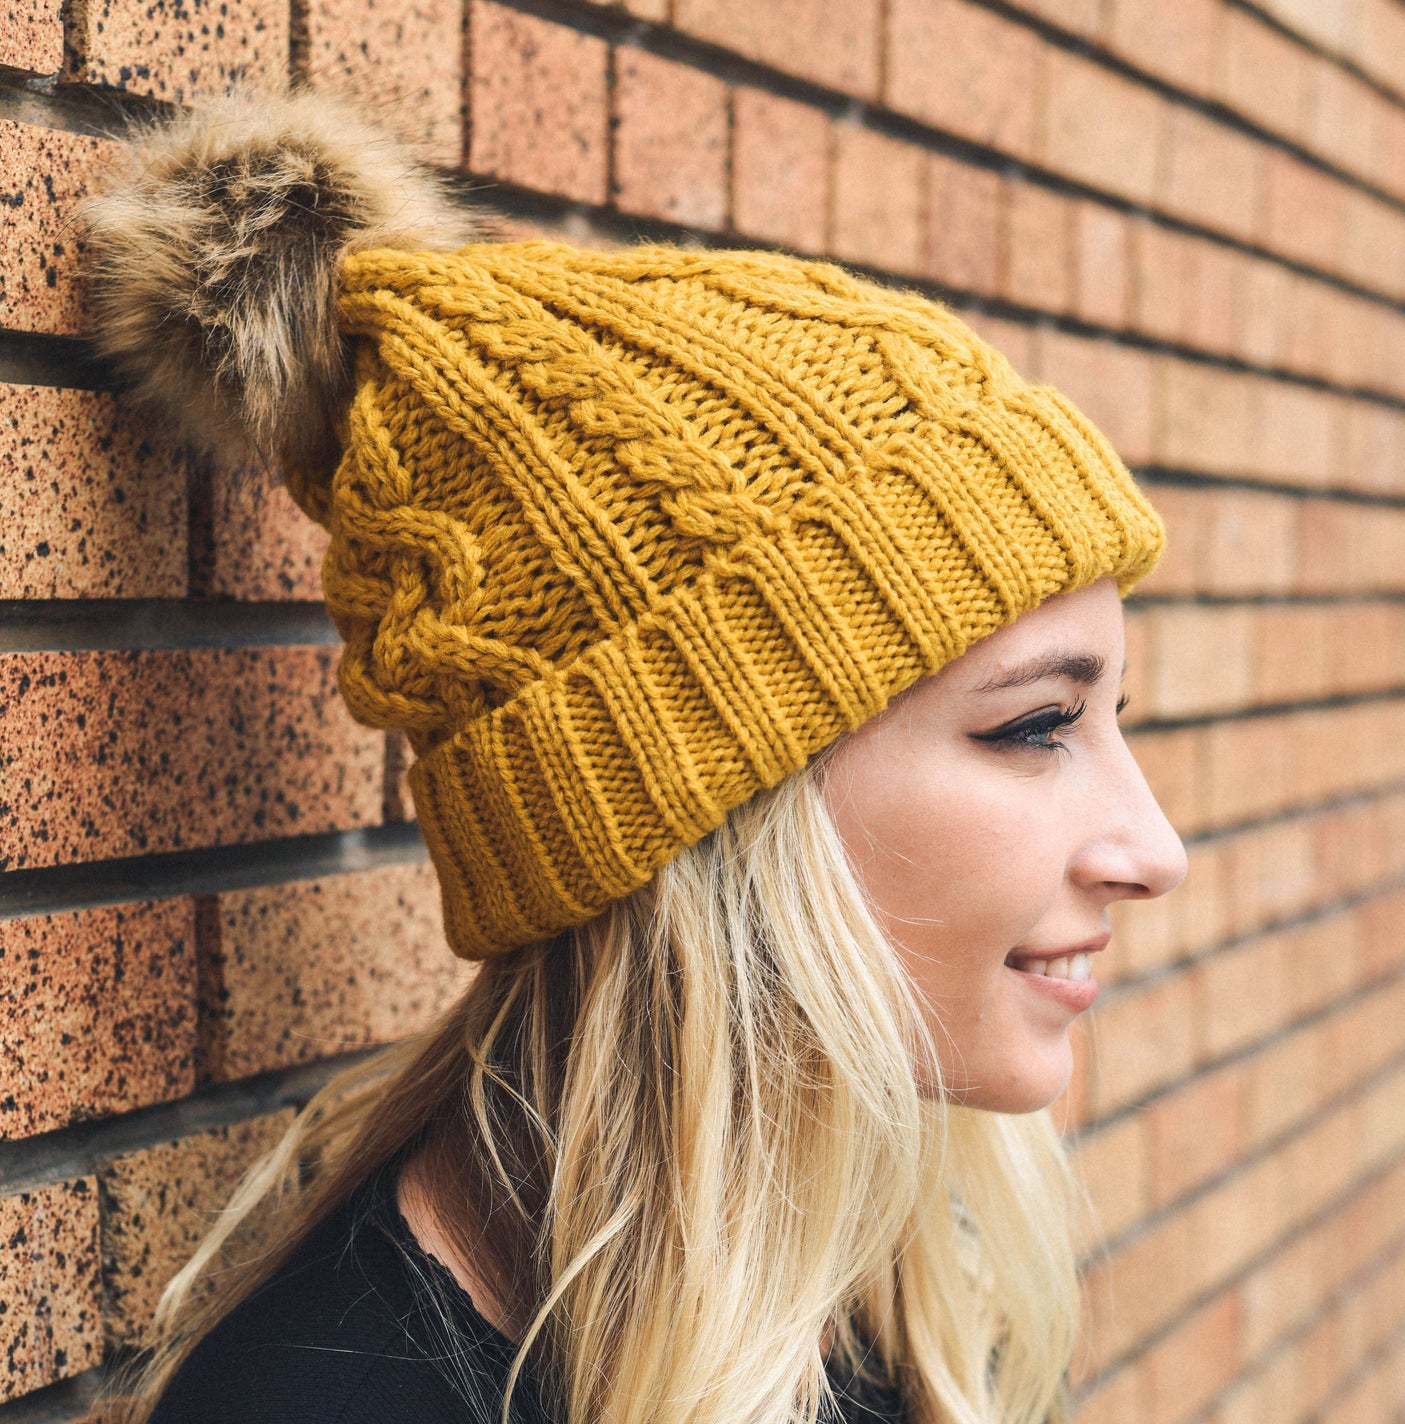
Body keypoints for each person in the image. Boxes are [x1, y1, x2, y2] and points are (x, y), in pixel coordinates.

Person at [83, 89, 1187, 1424]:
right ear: (707, 806)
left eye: (1108, 715)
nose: (1152, 851)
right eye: (1031, 727)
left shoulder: (887, 1299)